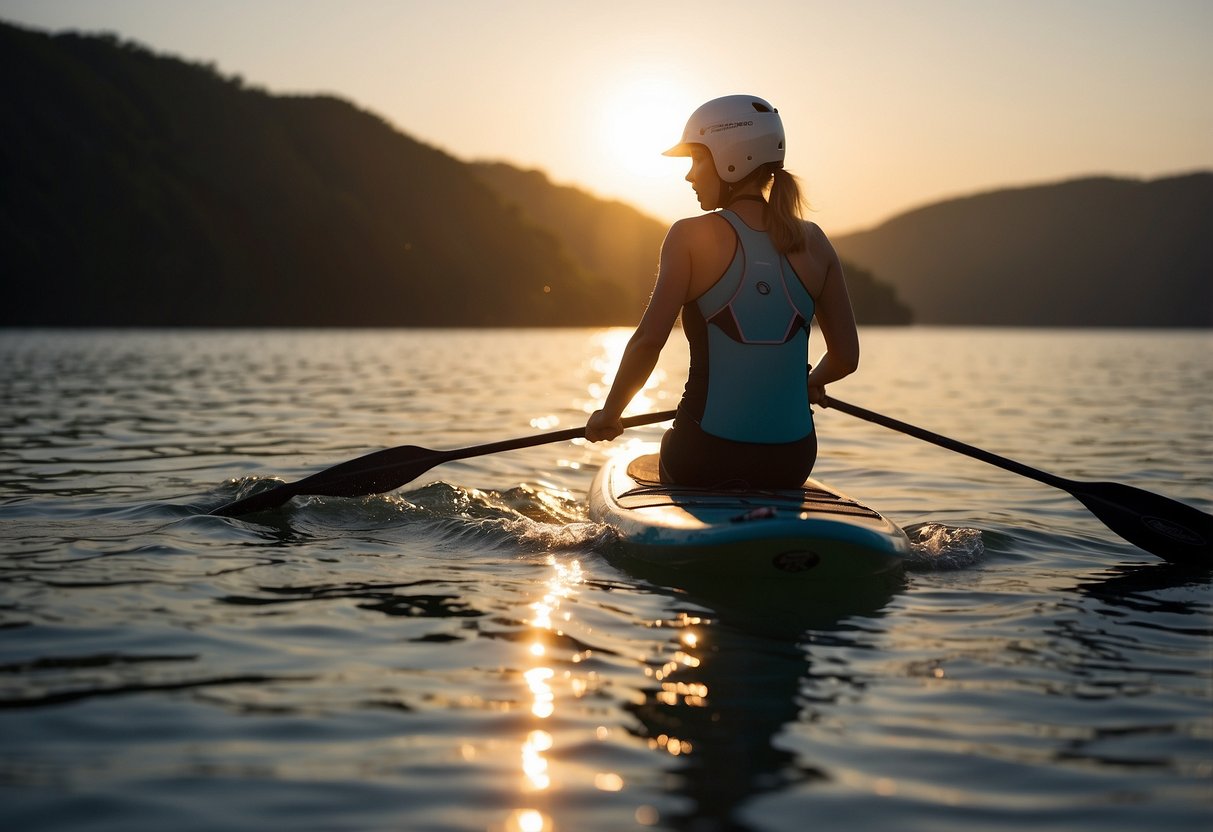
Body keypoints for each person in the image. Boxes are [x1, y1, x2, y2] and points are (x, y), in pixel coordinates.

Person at [584, 94, 859, 488]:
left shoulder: (689, 236)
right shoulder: (814, 241)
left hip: (704, 456)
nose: (690, 175)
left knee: (672, 446)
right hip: (792, 462)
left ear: (731, 158)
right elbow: (846, 358)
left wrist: (609, 414)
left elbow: (648, 342)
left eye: (697, 159)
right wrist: (810, 382)